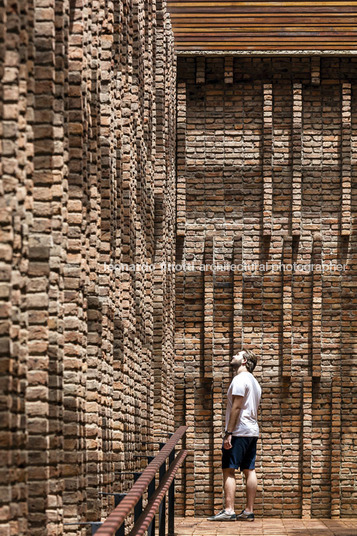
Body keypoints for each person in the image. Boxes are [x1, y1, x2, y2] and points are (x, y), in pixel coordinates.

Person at [207, 349, 262, 522]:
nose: (233, 356)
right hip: (252, 431)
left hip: (239, 431)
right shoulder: (255, 382)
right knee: (249, 469)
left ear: (244, 361)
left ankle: (229, 510)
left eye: (237, 355)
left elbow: (236, 407)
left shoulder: (240, 379)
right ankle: (248, 511)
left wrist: (228, 433)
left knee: (229, 469)